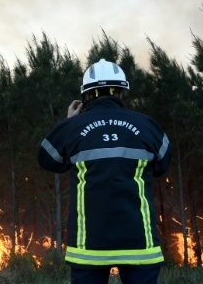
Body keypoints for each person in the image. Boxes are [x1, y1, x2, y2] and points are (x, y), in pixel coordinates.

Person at [38, 59, 171, 284]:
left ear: (86, 96)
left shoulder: (74, 127)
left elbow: (47, 159)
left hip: (89, 247)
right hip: (139, 243)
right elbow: (162, 165)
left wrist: (68, 123)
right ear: (121, 92)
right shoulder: (147, 125)